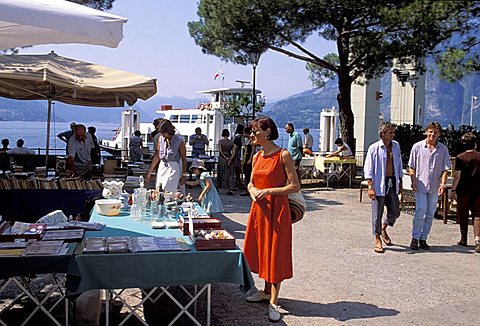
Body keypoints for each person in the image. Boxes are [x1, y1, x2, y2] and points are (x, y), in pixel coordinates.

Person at [243, 116, 300, 323]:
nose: (252, 135)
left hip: (277, 210)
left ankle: (274, 301)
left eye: (255, 131)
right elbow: (250, 183)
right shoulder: (257, 156)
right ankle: (266, 291)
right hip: (259, 209)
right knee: (262, 249)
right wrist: (253, 191)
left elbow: (295, 186)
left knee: (275, 252)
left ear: (267, 132)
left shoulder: (283, 155)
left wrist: (268, 191)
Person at [408, 122, 450, 250]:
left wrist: (443, 184)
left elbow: (445, 169)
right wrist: (413, 180)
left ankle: (423, 238)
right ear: (426, 131)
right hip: (420, 184)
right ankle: (415, 238)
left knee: (431, 213)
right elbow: (411, 166)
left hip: (434, 186)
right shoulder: (417, 147)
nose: (432, 134)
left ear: (439, 134)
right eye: (430, 131)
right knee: (420, 210)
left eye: (435, 132)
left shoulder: (443, 149)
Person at [364, 122, 403, 254]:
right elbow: (368, 168)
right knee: (377, 214)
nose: (393, 134)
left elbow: (398, 164)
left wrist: (401, 182)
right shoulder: (374, 148)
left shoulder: (396, 146)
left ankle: (383, 227)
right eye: (390, 132)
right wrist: (370, 186)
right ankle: (377, 238)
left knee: (395, 211)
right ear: (383, 134)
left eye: (393, 132)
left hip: (392, 181)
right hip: (378, 183)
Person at [450, 132, 480, 252]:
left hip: (463, 190)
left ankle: (463, 239)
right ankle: (478, 239)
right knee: (477, 215)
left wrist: (453, 190)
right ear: (475, 144)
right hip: (478, 190)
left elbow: (457, 176)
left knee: (463, 215)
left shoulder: (460, 157)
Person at [146, 119, 187, 193]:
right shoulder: (160, 138)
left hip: (173, 167)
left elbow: (184, 158)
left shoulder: (179, 141)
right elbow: (157, 156)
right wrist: (150, 171)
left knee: (168, 190)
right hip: (162, 166)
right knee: (159, 189)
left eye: (163, 133)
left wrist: (184, 175)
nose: (162, 135)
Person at [217, 129, 236, 195]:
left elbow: (220, 151)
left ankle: (220, 187)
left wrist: (225, 157)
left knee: (221, 173)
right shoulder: (232, 142)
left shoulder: (220, 142)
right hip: (230, 157)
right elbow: (234, 152)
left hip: (222, 159)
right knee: (230, 174)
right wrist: (230, 159)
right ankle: (230, 188)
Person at [240, 126, 255, 196]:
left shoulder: (252, 141)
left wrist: (250, 159)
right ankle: (246, 188)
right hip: (245, 157)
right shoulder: (247, 141)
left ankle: (248, 189)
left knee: (248, 173)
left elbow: (253, 150)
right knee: (246, 173)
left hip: (249, 157)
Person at [233, 124, 245, 189]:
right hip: (239, 153)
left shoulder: (236, 135)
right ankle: (238, 181)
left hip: (236, 154)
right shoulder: (239, 136)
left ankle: (237, 181)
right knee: (238, 168)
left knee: (237, 168)